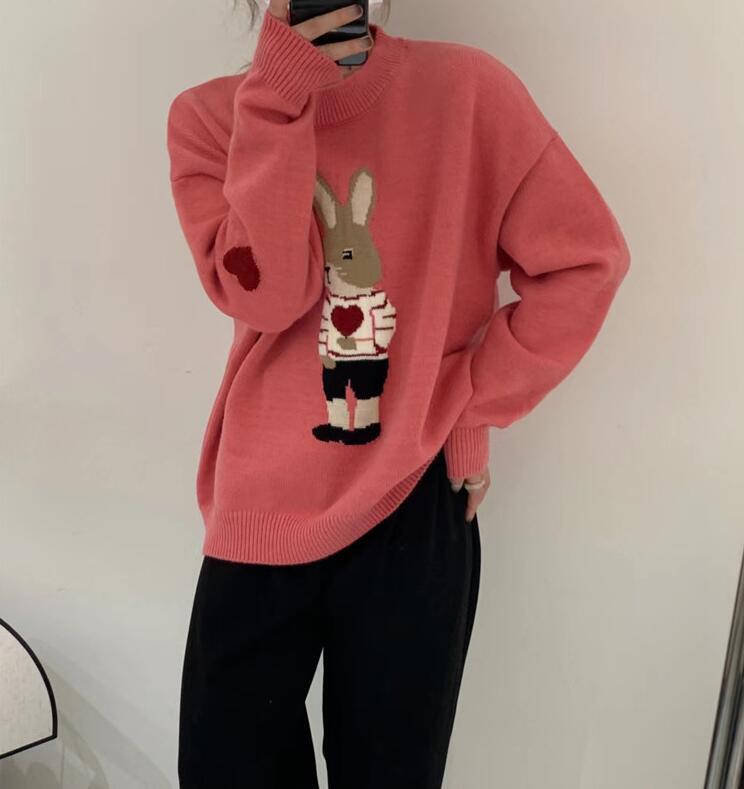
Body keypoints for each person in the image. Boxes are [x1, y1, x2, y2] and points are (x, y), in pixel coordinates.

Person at [166, 1, 630, 786]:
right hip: (262, 507)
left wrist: (467, 407)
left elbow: (585, 263)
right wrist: (277, 101)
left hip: (412, 497)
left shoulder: (469, 94)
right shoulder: (211, 120)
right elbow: (268, 296)